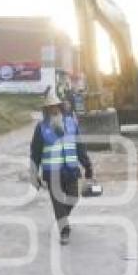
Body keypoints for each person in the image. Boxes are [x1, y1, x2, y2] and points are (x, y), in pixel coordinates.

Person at [29, 88, 93, 245]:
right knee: (58, 202)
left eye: (56, 107)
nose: (54, 110)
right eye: (50, 108)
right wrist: (33, 173)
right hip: (52, 173)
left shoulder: (71, 123)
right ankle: (64, 230)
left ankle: (62, 217)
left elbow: (79, 146)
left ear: (61, 107)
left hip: (72, 170)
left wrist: (87, 165)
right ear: (46, 111)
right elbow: (35, 152)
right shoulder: (41, 128)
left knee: (73, 197)